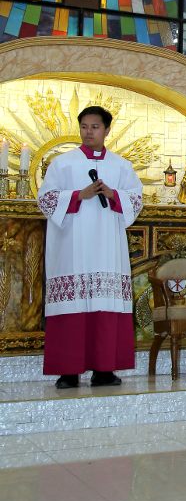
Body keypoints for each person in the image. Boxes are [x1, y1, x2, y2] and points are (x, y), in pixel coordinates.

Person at [37, 106, 143, 389]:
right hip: (72, 245)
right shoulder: (63, 164)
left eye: (95, 127)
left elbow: (136, 200)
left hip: (107, 247)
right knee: (71, 306)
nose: (88, 132)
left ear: (107, 130)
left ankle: (104, 370)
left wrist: (113, 194)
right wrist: (78, 195)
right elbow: (45, 199)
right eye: (84, 126)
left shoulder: (122, 166)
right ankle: (68, 372)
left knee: (104, 305)